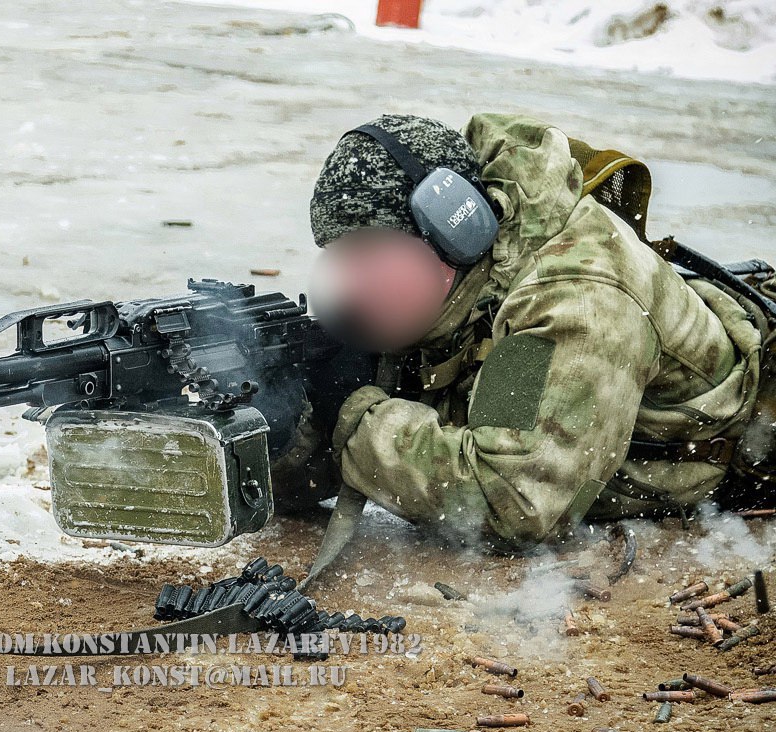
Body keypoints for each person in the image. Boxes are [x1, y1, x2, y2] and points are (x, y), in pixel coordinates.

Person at [303, 112, 775, 551]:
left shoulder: (568, 301)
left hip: (746, 467)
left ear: (452, 234)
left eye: (368, 251)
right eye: (339, 255)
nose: (350, 284)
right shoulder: (469, 282)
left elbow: (513, 500)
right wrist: (284, 426)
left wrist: (352, 421)